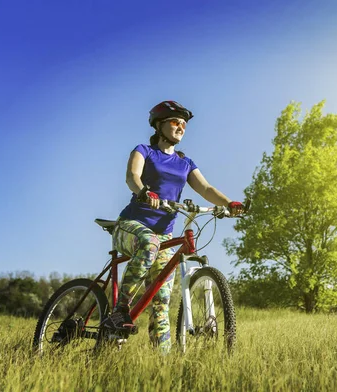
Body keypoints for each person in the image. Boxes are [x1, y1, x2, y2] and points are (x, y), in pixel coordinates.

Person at [103, 100, 244, 353]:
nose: (180, 127)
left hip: (164, 234)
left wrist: (229, 203)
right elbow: (132, 176)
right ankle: (120, 310)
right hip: (131, 225)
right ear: (159, 125)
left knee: (162, 301)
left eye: (184, 124)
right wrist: (144, 192)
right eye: (175, 122)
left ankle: (163, 363)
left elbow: (206, 188)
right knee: (149, 242)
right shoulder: (144, 150)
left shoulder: (185, 163)